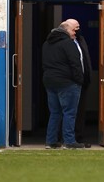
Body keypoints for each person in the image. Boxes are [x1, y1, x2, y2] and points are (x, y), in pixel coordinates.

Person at [42, 19, 85, 149]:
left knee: (55, 112)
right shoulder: (68, 43)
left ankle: (51, 141)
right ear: (66, 30)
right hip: (67, 83)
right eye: (73, 30)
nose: (75, 34)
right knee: (69, 112)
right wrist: (80, 80)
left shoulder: (46, 44)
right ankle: (69, 141)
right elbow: (75, 64)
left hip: (50, 82)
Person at [74, 28, 93, 148]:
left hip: (82, 82)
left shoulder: (81, 41)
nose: (77, 30)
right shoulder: (65, 43)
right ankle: (69, 138)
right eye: (75, 28)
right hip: (71, 83)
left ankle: (78, 137)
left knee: (80, 111)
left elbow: (85, 60)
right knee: (69, 112)